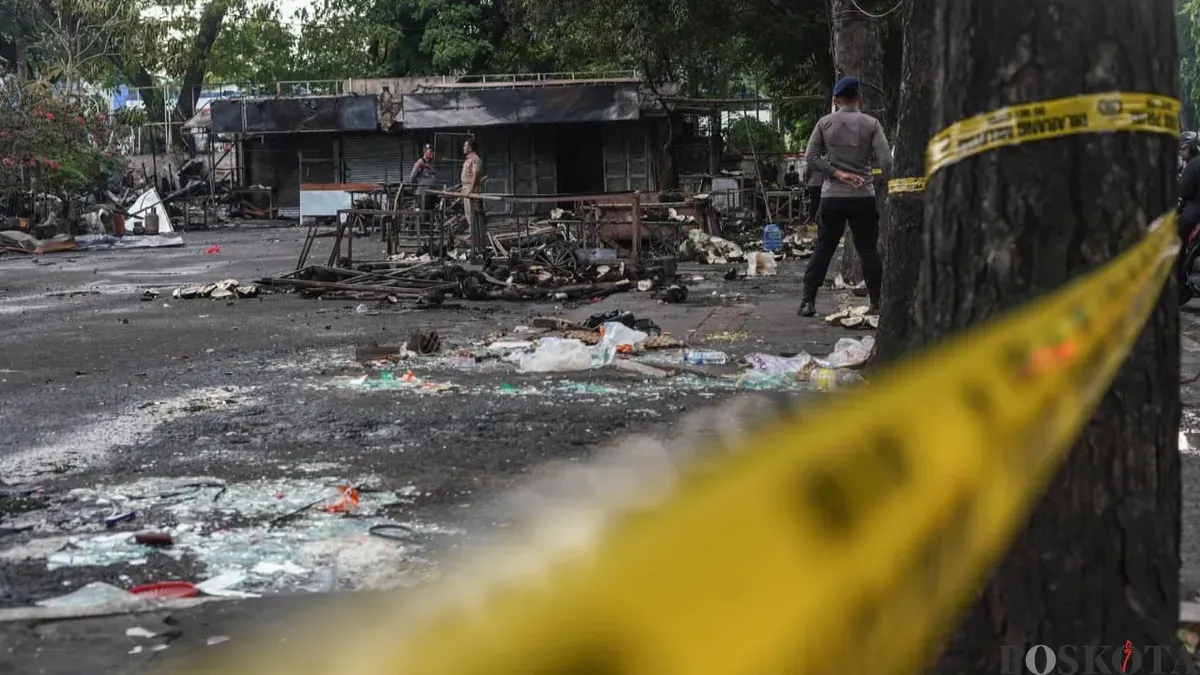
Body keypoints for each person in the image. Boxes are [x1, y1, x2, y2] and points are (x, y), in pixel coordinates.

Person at [798, 75, 891, 318]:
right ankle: (877, 303)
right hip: (863, 197)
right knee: (868, 251)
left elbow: (811, 158)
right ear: (859, 97)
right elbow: (887, 162)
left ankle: (808, 300)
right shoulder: (871, 124)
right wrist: (876, 181)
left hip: (832, 198)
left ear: (836, 99)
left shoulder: (824, 123)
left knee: (824, 248)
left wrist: (837, 173)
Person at [1177, 131, 1200, 303]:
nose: (1180, 152)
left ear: (1191, 147)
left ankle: (1178, 279)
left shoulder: (1193, 165)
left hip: (1194, 210)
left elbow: (1184, 191)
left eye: (1183, 148)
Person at [460, 139, 485, 254]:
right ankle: (473, 238)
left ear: (470, 147)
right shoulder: (468, 159)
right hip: (466, 188)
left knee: (473, 216)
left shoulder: (475, 159)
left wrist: (470, 190)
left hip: (472, 189)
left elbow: (475, 175)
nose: (463, 148)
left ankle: (475, 241)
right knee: (468, 214)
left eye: (465, 146)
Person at [408, 144, 437, 211]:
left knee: (431, 213)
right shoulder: (420, 163)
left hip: (431, 193)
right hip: (423, 193)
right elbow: (412, 178)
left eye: (433, 152)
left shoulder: (431, 164)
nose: (432, 154)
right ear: (425, 152)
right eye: (430, 151)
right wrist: (419, 186)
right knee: (424, 215)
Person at [802, 158, 823, 225]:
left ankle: (813, 217)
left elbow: (806, 175)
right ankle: (812, 218)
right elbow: (807, 174)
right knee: (815, 202)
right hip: (816, 185)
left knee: (814, 202)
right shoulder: (817, 163)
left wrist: (806, 183)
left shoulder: (811, 164)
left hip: (814, 185)